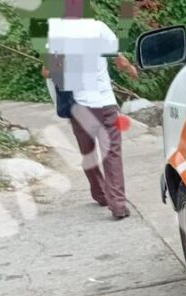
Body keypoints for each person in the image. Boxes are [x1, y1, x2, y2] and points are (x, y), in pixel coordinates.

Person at [45, 20, 139, 220]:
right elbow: (118, 59)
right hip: (105, 102)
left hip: (79, 106)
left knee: (87, 151)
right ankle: (118, 204)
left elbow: (47, 72)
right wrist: (130, 68)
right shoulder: (99, 28)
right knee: (112, 151)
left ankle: (99, 193)